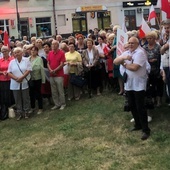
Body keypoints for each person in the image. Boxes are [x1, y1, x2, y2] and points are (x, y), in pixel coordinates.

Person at [114, 37, 151, 140]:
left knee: (140, 107)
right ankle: (137, 124)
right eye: (129, 43)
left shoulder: (140, 53)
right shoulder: (127, 53)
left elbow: (135, 68)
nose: (130, 45)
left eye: (132, 43)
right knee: (132, 105)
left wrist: (124, 63)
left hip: (138, 84)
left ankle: (146, 129)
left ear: (137, 43)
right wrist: (123, 58)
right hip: (129, 84)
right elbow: (115, 61)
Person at [7, 47, 32, 120]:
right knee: (17, 98)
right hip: (15, 82)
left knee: (25, 97)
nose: (16, 54)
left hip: (24, 81)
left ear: (22, 53)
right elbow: (9, 72)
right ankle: (19, 112)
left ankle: (26, 111)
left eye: (18, 52)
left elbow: (28, 70)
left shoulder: (26, 60)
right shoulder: (12, 62)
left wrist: (22, 77)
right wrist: (16, 78)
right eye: (15, 52)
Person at [143, 31, 163, 107]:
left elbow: (162, 57)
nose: (149, 40)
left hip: (157, 69)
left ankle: (159, 100)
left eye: (150, 38)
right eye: (147, 38)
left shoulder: (158, 47)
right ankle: (152, 99)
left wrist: (156, 60)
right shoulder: (144, 47)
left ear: (154, 38)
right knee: (150, 86)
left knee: (158, 85)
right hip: (148, 70)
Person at [47, 40, 66, 110]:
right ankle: (57, 104)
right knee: (54, 91)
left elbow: (62, 64)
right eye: (52, 44)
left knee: (60, 90)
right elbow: (48, 63)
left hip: (59, 75)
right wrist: (50, 70)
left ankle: (63, 104)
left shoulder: (61, 53)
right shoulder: (50, 53)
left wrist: (55, 70)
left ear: (58, 45)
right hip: (52, 75)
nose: (53, 46)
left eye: (54, 44)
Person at [29, 46, 45, 114]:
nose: (33, 51)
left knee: (38, 93)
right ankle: (32, 107)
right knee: (31, 94)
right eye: (32, 50)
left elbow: (42, 69)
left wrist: (43, 79)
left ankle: (40, 108)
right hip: (30, 79)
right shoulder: (28, 59)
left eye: (34, 50)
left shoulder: (39, 59)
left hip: (37, 78)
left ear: (37, 51)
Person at [0, 46, 14, 120]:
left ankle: (11, 109)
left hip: (11, 79)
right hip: (2, 80)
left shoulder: (12, 60)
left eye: (5, 51)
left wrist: (8, 72)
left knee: (10, 95)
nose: (4, 52)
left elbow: (14, 69)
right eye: (3, 51)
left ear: (8, 51)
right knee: (3, 96)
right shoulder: (0, 60)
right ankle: (4, 111)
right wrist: (2, 72)